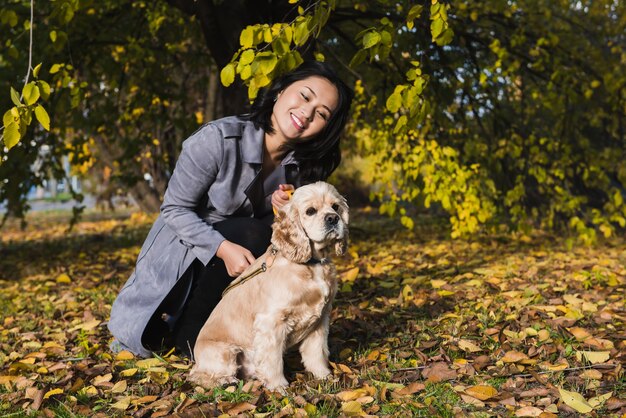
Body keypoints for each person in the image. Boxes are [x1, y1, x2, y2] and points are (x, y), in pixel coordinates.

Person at [108, 61, 353, 358]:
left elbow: (287, 236)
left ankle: (237, 330)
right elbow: (174, 210)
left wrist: (280, 212)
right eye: (304, 96)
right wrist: (222, 248)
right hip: (182, 253)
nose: (308, 112)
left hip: (243, 262)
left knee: (263, 234)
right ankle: (189, 331)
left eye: (322, 113)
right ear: (279, 91)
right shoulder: (216, 139)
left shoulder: (303, 168)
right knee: (251, 232)